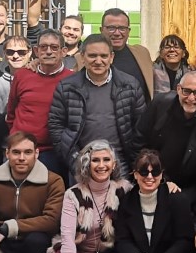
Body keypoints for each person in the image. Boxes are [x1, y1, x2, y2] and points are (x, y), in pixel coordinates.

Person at [33, 140, 131, 253]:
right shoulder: (73, 194)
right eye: (95, 160)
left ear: (114, 164)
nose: (101, 165)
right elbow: (67, 237)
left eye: (106, 160)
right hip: (80, 252)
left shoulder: (124, 190)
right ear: (87, 163)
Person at [136, 70, 196, 216]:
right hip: (153, 175)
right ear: (178, 89)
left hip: (191, 187)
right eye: (187, 91)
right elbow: (140, 143)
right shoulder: (159, 105)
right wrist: (160, 179)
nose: (191, 98)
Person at [49, 33, 146, 173]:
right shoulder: (66, 87)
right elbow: (56, 126)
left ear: (111, 57)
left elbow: (141, 126)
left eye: (104, 56)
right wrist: (73, 159)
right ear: (82, 57)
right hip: (82, 161)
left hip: (120, 163)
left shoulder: (130, 85)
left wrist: (134, 160)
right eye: (92, 56)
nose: (98, 61)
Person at [7, 29, 75, 178]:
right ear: (36, 51)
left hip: (53, 152)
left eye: (54, 47)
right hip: (20, 149)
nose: (48, 52)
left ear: (63, 51)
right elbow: (11, 112)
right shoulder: (22, 75)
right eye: (44, 47)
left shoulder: (73, 80)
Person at [0, 35, 31, 171]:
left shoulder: (40, 80)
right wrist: (10, 114)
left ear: (30, 52)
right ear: (4, 54)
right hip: (5, 153)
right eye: (10, 52)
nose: (16, 56)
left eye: (21, 52)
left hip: (38, 151)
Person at [89, 8, 153, 101]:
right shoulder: (83, 59)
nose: (117, 33)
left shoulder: (142, 53)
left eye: (122, 28)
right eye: (111, 28)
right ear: (101, 30)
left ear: (129, 31)